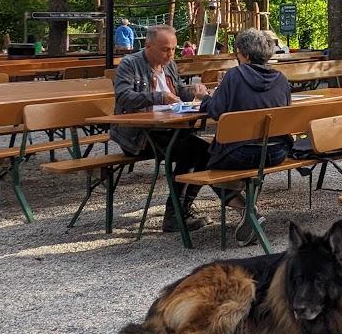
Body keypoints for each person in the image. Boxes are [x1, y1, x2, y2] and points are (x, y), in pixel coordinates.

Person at [110, 24, 211, 233]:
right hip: (139, 135)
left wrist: (194, 91)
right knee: (191, 151)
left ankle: (181, 209)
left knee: (207, 151)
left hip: (170, 129)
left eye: (173, 49)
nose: (170, 54)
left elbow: (178, 91)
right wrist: (158, 97)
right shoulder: (129, 64)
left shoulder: (169, 65)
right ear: (148, 46)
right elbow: (123, 97)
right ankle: (174, 215)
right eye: (165, 49)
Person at [200, 28, 292, 246]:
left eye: (237, 52)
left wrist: (203, 97)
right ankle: (247, 209)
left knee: (202, 160)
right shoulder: (281, 78)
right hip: (276, 151)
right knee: (234, 154)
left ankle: (246, 209)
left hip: (241, 154)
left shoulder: (234, 75)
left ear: (245, 55)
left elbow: (215, 110)